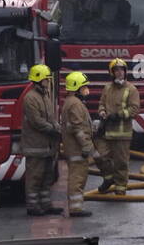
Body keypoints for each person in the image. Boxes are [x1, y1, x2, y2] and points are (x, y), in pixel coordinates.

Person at [22, 63, 63, 217]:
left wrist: (58, 127)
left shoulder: (45, 95)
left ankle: (46, 204)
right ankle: (33, 206)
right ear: (38, 79)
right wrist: (54, 130)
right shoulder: (30, 98)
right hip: (36, 145)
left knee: (48, 176)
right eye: (46, 79)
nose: (48, 81)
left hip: (48, 146)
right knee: (35, 177)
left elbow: (51, 118)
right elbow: (36, 122)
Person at [96, 58, 140, 196]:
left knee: (121, 162)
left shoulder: (131, 89)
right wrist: (102, 112)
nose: (119, 73)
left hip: (123, 133)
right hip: (107, 131)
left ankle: (120, 187)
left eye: (122, 70)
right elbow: (101, 104)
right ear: (112, 72)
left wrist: (119, 115)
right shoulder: (107, 88)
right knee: (99, 156)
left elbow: (134, 109)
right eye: (116, 70)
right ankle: (109, 178)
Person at [60, 71, 98, 216]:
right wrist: (86, 145)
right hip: (77, 149)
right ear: (76, 88)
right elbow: (78, 128)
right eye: (84, 87)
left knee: (78, 176)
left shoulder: (72, 102)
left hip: (74, 148)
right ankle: (76, 208)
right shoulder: (75, 104)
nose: (86, 90)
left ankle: (76, 206)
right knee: (77, 178)